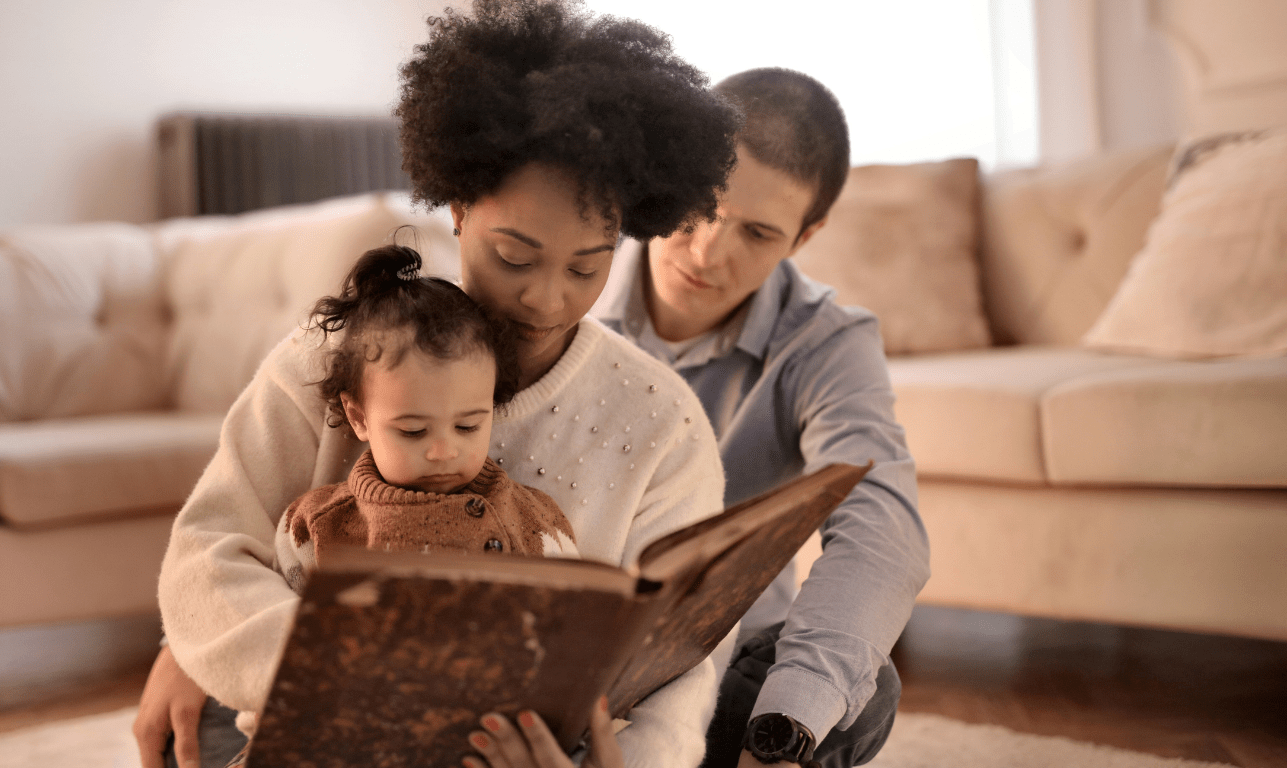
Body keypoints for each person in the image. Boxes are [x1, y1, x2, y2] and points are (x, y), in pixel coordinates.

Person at [133, 2, 743, 768]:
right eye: (516, 257)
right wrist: (292, 672)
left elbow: (676, 661)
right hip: (324, 718)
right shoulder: (330, 360)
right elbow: (210, 550)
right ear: (457, 209)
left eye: (588, 266)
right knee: (200, 725)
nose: (548, 300)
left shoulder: (661, 419)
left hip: (538, 750)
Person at [591, 68, 930, 768]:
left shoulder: (825, 342)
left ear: (806, 237)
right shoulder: (569, 281)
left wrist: (784, 731)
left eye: (758, 232)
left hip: (712, 667)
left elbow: (884, 532)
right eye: (703, 205)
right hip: (566, 656)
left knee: (860, 691)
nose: (709, 251)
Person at [272, 244, 579, 600]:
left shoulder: (537, 519)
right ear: (358, 418)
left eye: (467, 427)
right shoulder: (316, 527)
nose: (443, 451)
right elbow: (292, 628)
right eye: (413, 431)